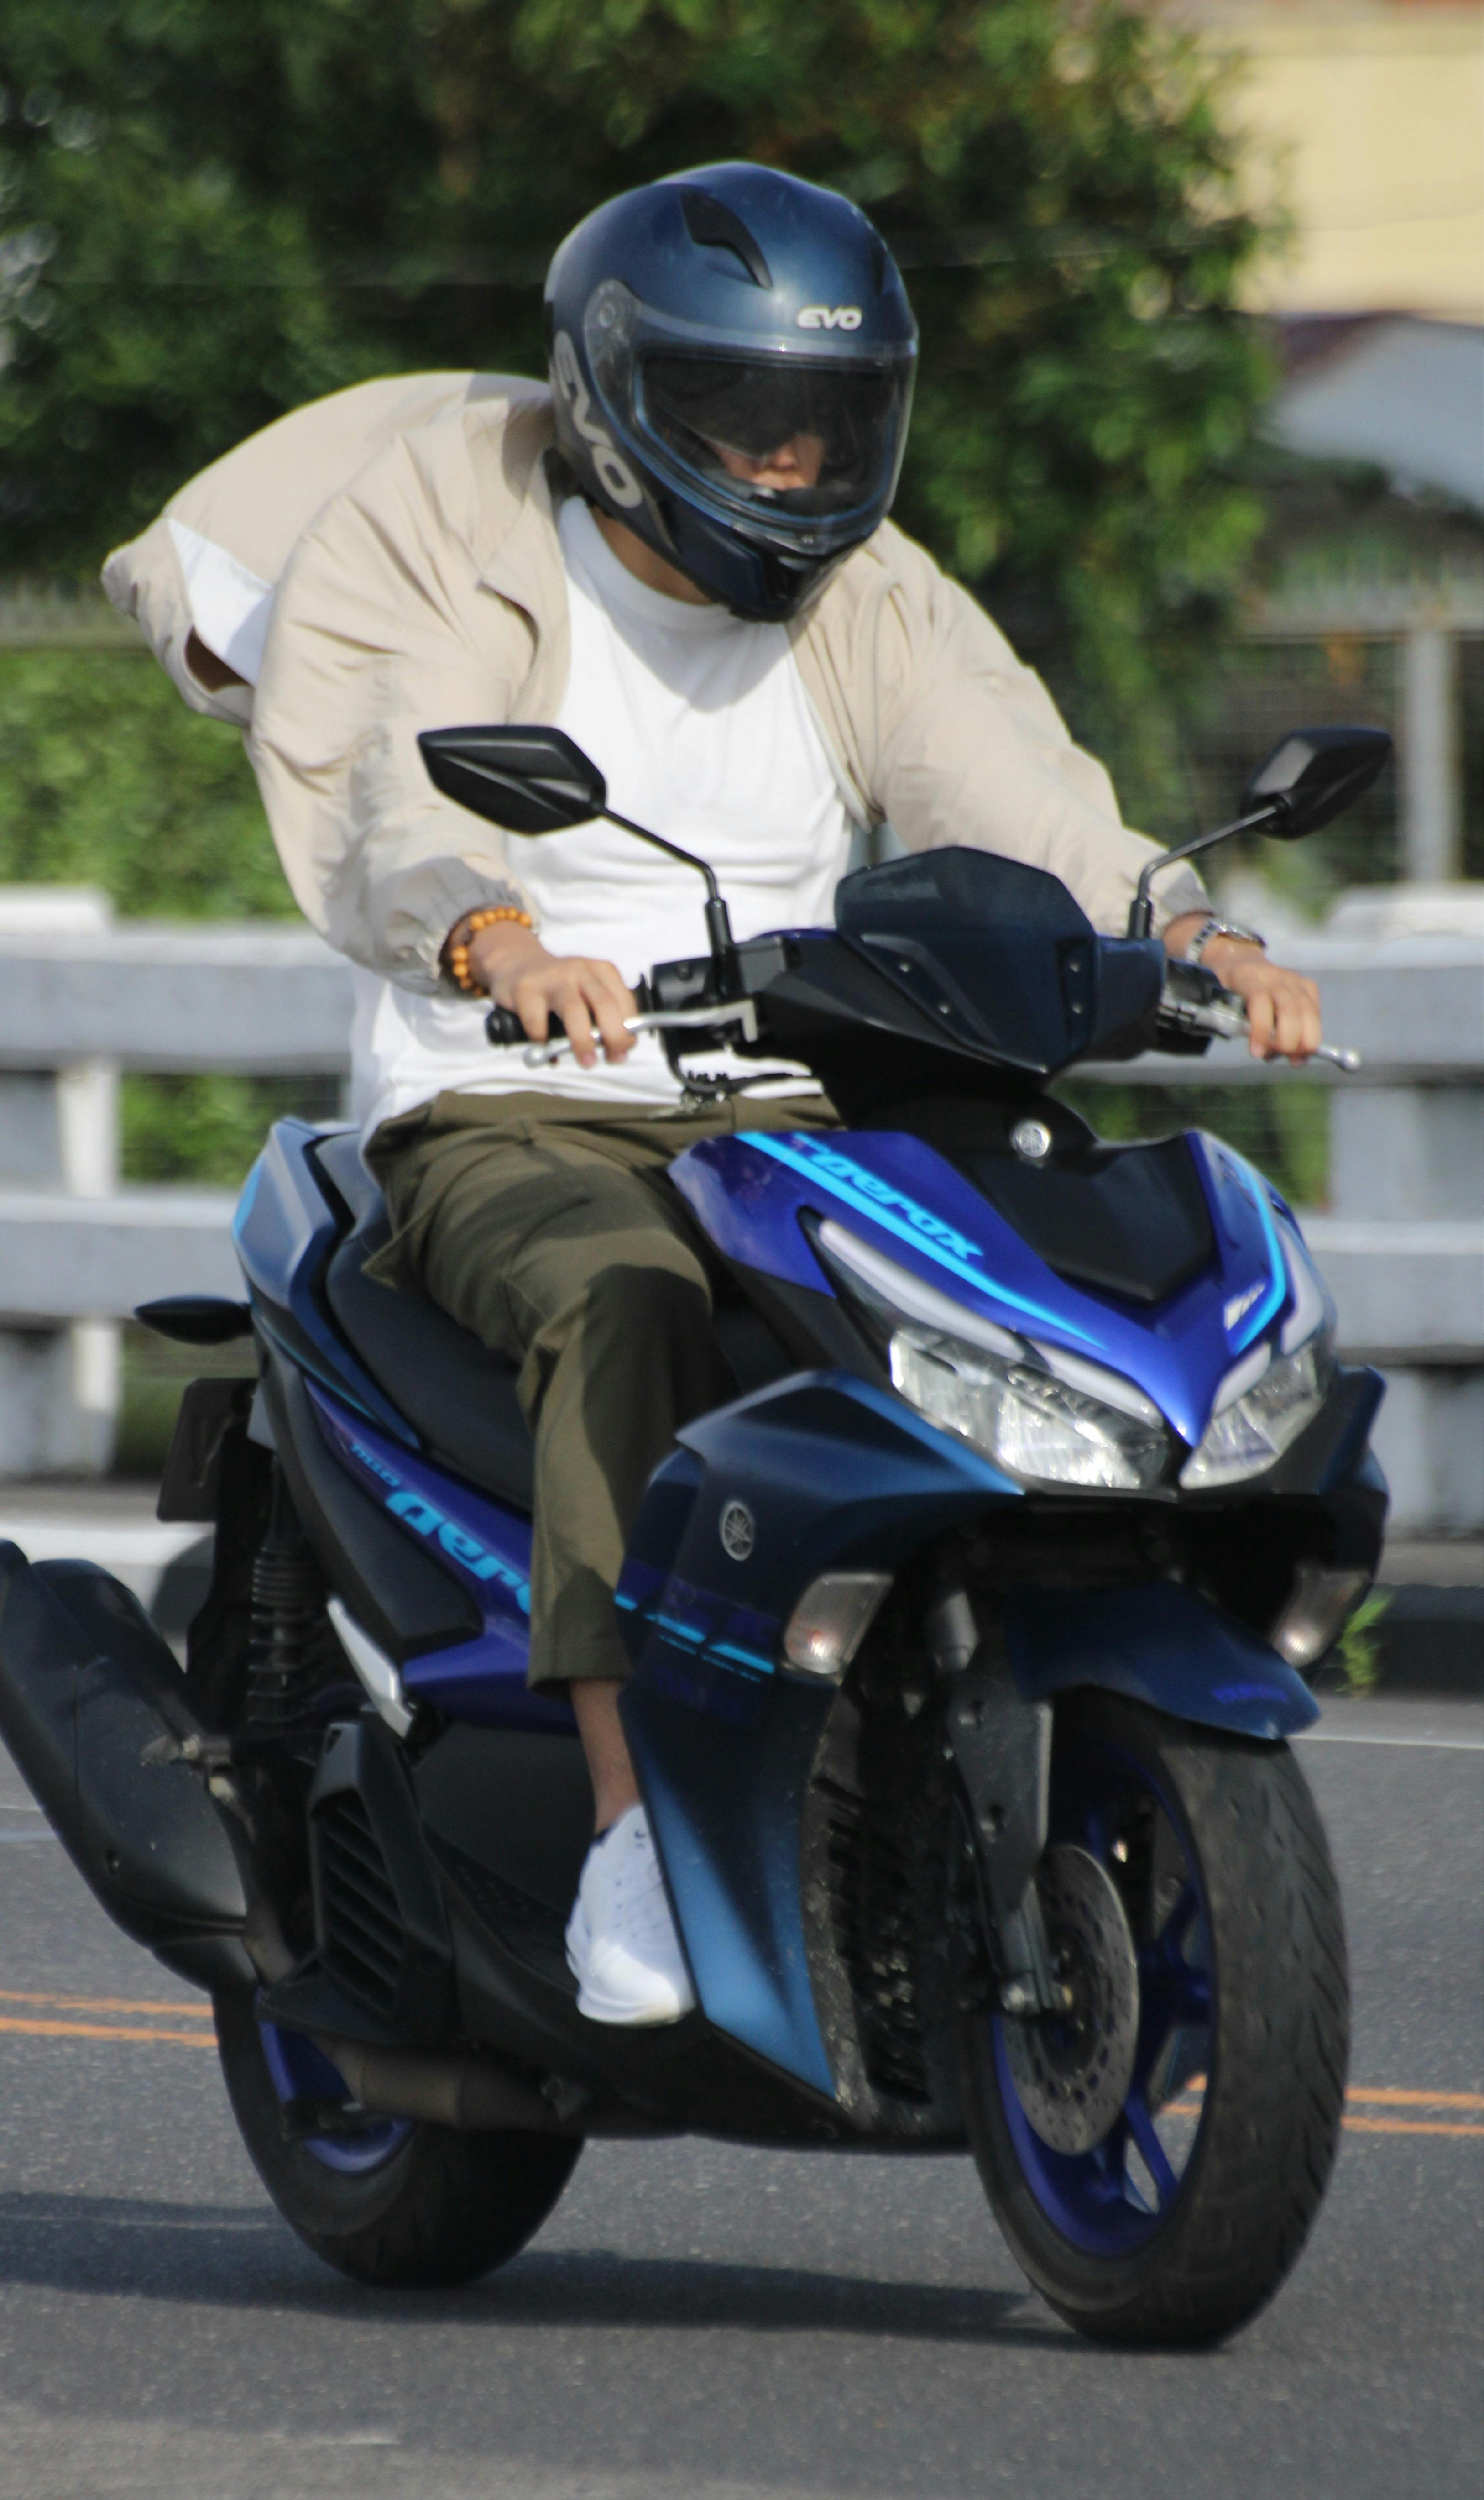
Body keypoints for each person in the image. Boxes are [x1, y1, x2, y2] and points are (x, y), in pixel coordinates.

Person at [106, 162, 1324, 2032]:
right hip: (516, 1102)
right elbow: (401, 784)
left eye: (823, 418)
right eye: (739, 414)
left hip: (812, 1105)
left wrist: (1188, 926)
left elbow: (1015, 788)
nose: (785, 461)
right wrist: (493, 936)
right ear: (614, 399)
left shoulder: (864, 592)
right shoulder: (457, 527)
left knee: (1046, 1292)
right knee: (630, 1304)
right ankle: (631, 1831)